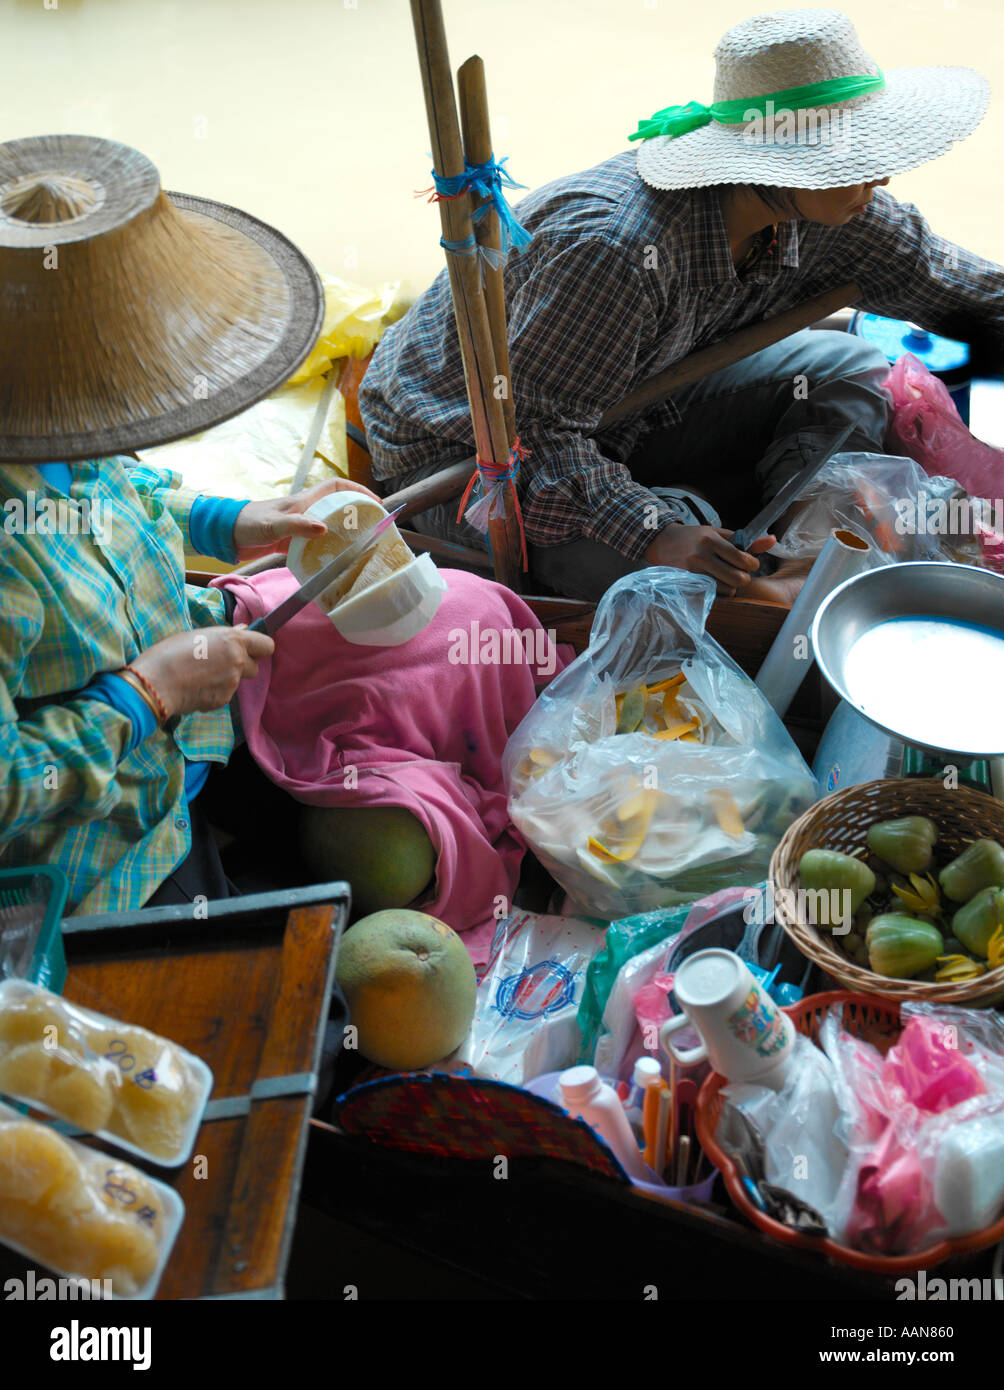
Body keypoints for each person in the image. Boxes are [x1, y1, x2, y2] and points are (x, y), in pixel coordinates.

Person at [360, 9, 1004, 604]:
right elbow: (531, 441)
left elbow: (959, 285)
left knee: (847, 365)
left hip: (627, 401)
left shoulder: (836, 213)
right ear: (781, 163)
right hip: (470, 459)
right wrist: (654, 532)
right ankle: (751, 580)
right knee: (683, 557)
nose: (882, 177)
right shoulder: (614, 249)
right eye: (858, 158)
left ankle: (805, 553)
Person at [0, 132, 394, 914]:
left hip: (197, 739)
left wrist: (238, 520)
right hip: (102, 850)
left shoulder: (64, 422)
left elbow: (128, 492)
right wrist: (148, 693)